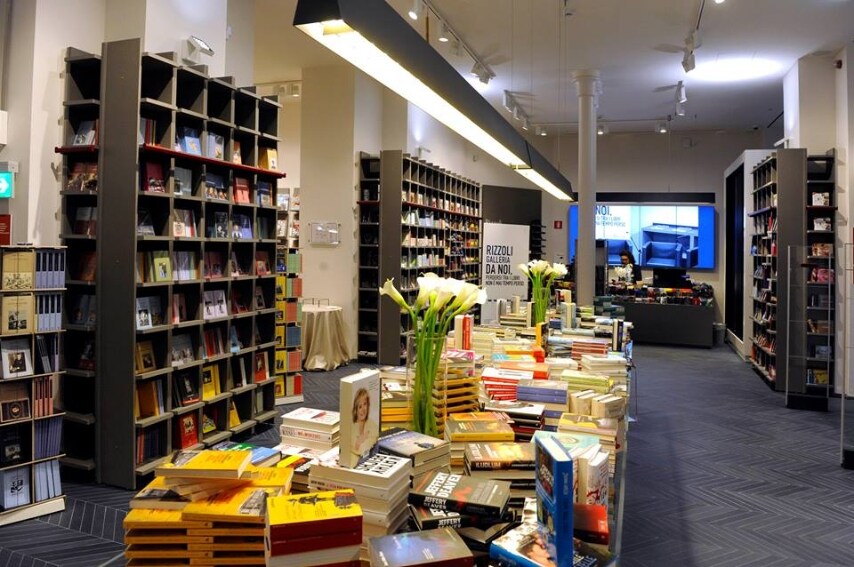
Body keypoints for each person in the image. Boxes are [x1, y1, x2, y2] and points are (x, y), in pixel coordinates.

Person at [351, 387, 378, 461]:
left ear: (368, 405)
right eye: (360, 407)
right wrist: (366, 438)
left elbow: (366, 447)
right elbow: (360, 450)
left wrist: (360, 442)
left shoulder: (372, 424)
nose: (363, 409)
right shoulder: (351, 428)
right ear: (356, 410)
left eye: (365, 404)